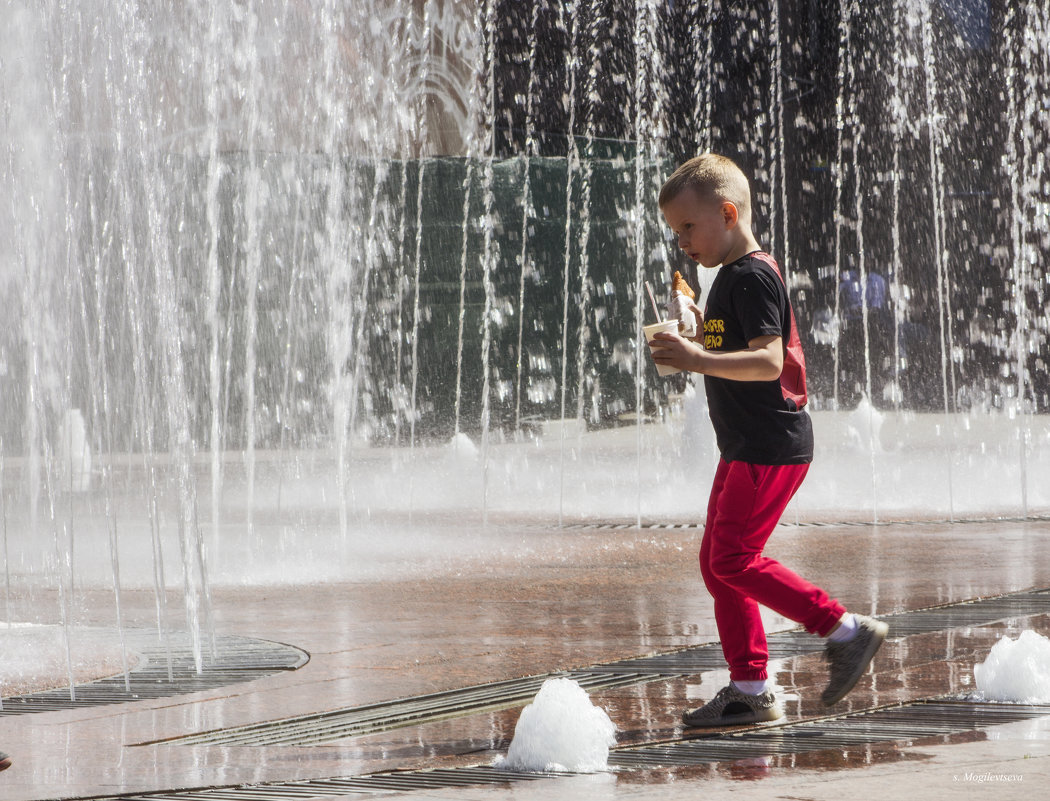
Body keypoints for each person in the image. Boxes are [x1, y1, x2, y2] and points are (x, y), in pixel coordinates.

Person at [648, 153, 887, 728]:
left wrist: (697, 356)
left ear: (728, 214)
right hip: (746, 446)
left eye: (688, 227)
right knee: (718, 564)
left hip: (768, 445)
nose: (681, 241)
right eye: (674, 230)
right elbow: (736, 343)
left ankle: (845, 630)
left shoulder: (751, 274)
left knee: (733, 558)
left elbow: (767, 360)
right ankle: (750, 686)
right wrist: (696, 326)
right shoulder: (730, 278)